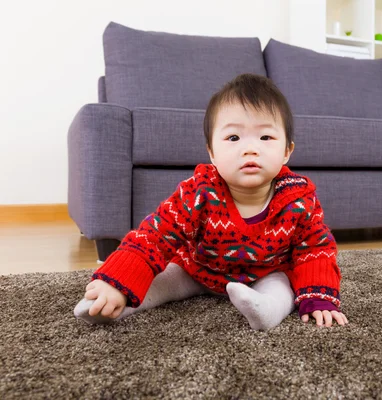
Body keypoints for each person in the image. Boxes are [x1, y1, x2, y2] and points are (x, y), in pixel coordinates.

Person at [74, 73, 348, 330]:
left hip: (264, 272)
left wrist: (319, 296)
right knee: (164, 279)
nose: (250, 148)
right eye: (233, 137)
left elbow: (315, 248)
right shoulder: (199, 191)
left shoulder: (298, 198)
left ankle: (265, 310)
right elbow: (155, 234)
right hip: (196, 269)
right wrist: (119, 279)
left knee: (281, 287)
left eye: (266, 137)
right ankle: (115, 302)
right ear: (212, 153)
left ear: (287, 151)